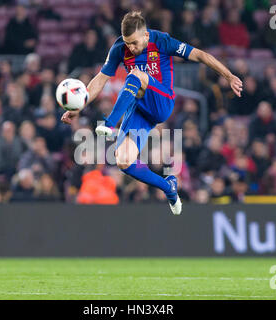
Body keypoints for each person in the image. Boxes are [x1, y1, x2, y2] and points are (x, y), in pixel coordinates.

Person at [61, 11, 242, 215]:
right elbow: (100, 80)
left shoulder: (162, 41)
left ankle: (110, 123)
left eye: (135, 43)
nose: (131, 48)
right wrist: (78, 107)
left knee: (135, 75)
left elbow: (200, 55)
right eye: (128, 43)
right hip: (139, 109)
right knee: (123, 160)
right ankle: (169, 188)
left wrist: (229, 76)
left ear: (146, 35)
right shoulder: (119, 48)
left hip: (162, 102)